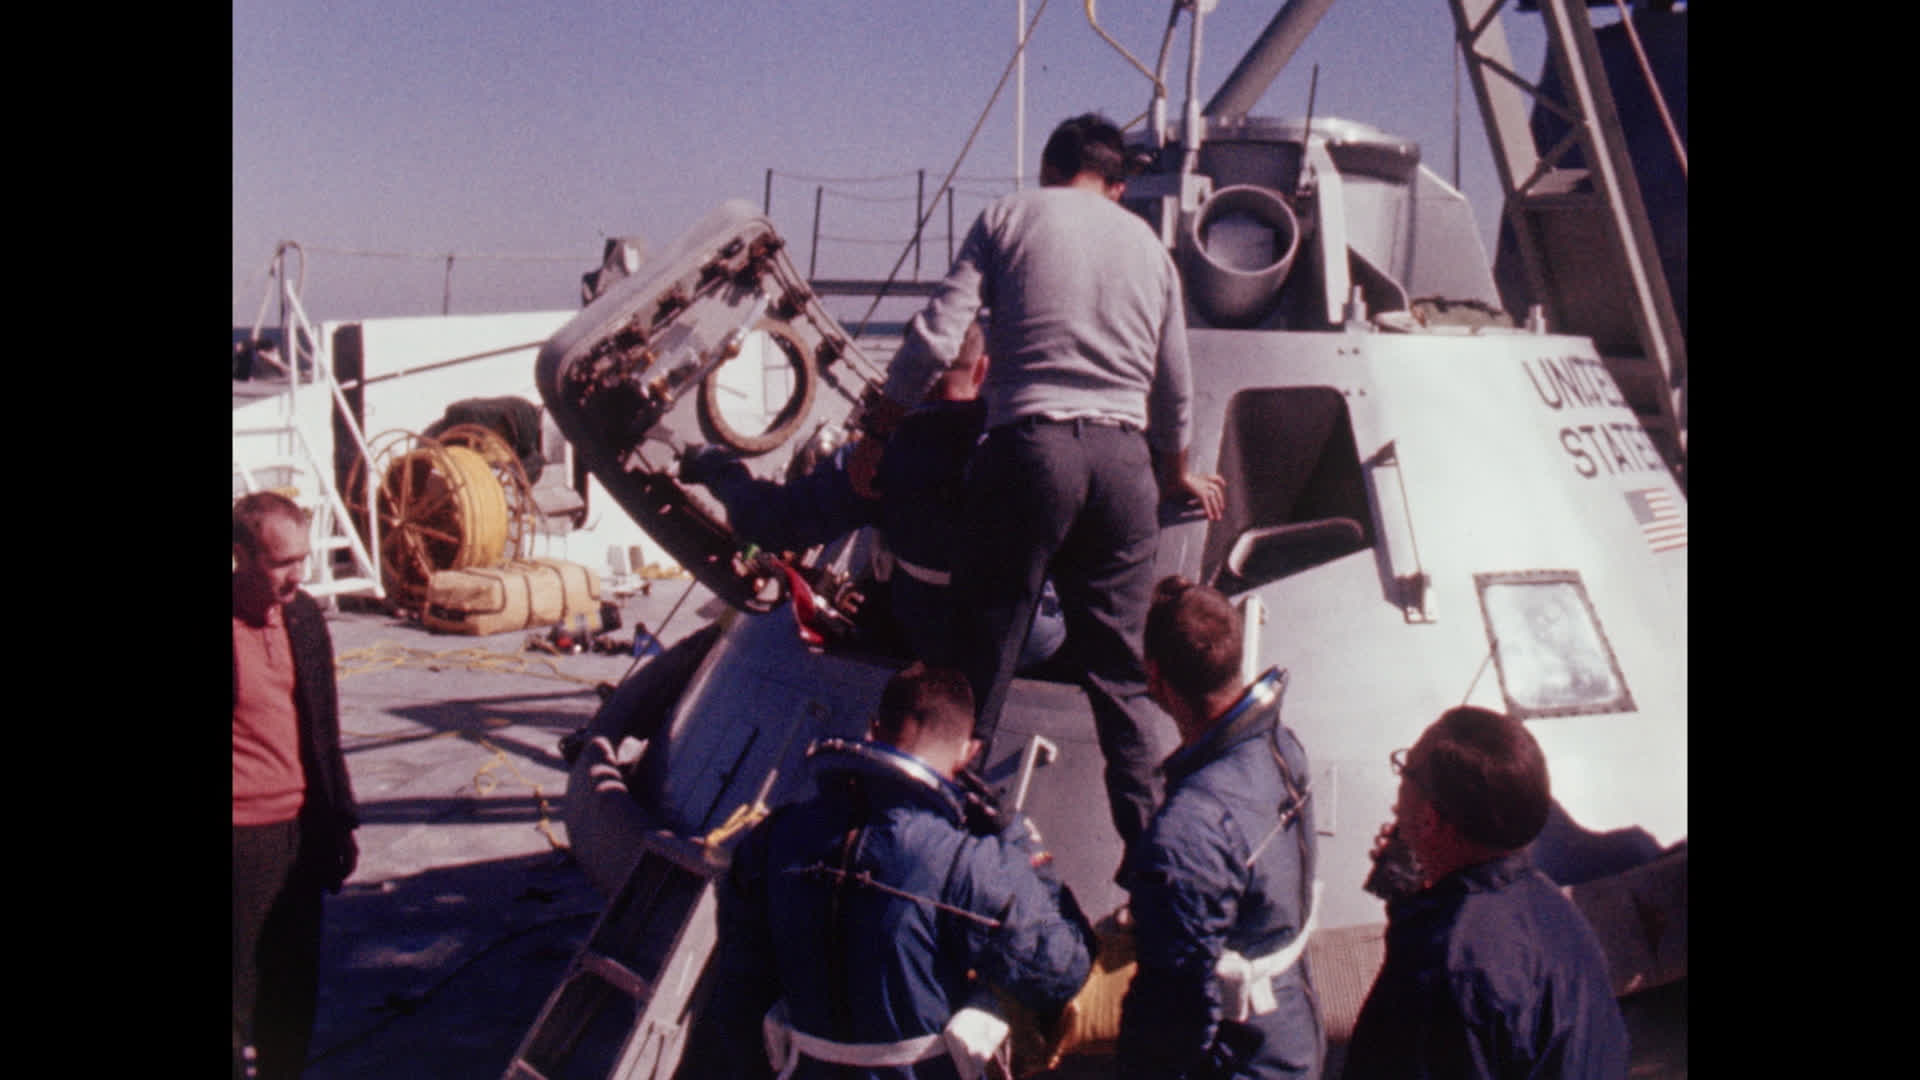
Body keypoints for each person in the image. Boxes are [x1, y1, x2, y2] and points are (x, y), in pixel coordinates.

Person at [849, 112, 1225, 852]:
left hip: (1029, 451)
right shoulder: (1150, 248)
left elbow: (935, 334)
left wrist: (880, 430)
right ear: (1117, 185)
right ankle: (1156, 869)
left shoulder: (1008, 217)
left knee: (979, 665)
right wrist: (1175, 476)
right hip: (1123, 466)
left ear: (1051, 170)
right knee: (1120, 680)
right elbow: (1175, 388)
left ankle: (947, 856)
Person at [676, 663, 1095, 1079]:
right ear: (970, 752)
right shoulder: (966, 861)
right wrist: (1023, 847)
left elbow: (740, 997)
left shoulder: (773, 837)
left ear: (874, 729)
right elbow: (1060, 972)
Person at [680, 319, 1065, 672]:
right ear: (983, 370)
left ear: (905, 372)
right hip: (1031, 640)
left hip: (930, 637)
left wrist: (718, 467)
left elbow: (769, 524)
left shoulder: (877, 458)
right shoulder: (1030, 445)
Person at [1343, 706, 1629, 1079]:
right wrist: (1419, 897)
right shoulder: (1548, 904)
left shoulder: (1447, 967)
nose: (1398, 794)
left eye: (1405, 770)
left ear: (1429, 819)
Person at [1116, 577, 1323, 1080]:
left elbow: (1175, 1013)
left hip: (1246, 1058)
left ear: (1155, 674)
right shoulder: (1283, 745)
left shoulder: (1188, 830)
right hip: (1293, 1024)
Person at [233, 492, 360, 1080]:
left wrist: (339, 819)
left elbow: (324, 730)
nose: (297, 576)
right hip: (241, 841)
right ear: (241, 557)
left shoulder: (304, 617)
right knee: (238, 992)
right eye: (282, 563)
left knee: (293, 989)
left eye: (302, 560)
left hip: (301, 831)